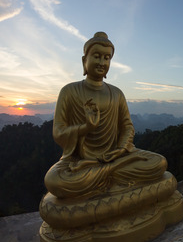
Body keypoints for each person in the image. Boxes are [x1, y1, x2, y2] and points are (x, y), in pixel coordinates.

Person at [44, 31, 167, 198]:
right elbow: (58, 133)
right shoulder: (69, 91)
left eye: (107, 58)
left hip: (116, 157)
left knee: (158, 162)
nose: (102, 62)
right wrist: (86, 127)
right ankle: (114, 182)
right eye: (97, 56)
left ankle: (106, 179)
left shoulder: (116, 93)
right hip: (81, 162)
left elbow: (127, 127)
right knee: (54, 181)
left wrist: (120, 149)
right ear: (84, 60)